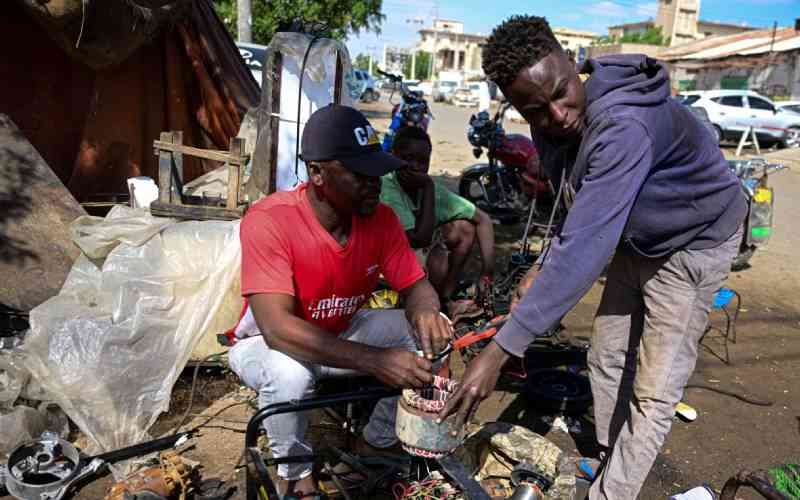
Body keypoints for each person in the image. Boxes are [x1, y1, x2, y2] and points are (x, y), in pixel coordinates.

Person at [439, 16, 746, 500]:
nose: (558, 116)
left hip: (694, 241)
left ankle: (612, 492)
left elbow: (586, 247)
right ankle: (612, 459)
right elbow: (577, 205)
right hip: (639, 237)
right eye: (536, 111)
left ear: (571, 62)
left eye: (562, 93)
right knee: (606, 356)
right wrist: (542, 267)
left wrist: (501, 350)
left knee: (654, 389)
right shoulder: (548, 117)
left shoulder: (624, 125)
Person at [228, 104, 453, 498]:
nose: (375, 183)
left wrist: (426, 309)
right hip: (269, 343)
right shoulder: (270, 220)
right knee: (288, 375)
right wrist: (376, 360)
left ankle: (377, 441)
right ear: (317, 173)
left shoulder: (380, 220)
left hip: (341, 330)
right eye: (360, 174)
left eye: (377, 172)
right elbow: (277, 329)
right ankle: (294, 474)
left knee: (435, 335)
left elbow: (416, 286)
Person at [380, 126, 496, 316]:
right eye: (407, 158)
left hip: (413, 257)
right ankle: (419, 308)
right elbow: (419, 239)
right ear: (393, 156)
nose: (415, 167)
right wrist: (427, 187)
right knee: (437, 257)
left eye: (422, 161)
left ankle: (444, 299)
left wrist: (487, 273)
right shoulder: (387, 186)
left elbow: (483, 219)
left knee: (464, 228)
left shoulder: (429, 188)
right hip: (384, 265)